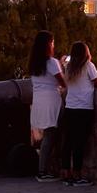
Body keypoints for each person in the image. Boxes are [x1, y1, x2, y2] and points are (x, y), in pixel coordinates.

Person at [59, 41, 97, 186]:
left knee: (68, 142)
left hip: (70, 108)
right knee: (79, 143)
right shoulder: (89, 66)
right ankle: (78, 175)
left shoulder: (69, 67)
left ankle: (66, 174)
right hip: (83, 109)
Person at [28, 30, 67, 182]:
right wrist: (62, 67)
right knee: (52, 135)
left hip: (39, 101)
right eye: (52, 42)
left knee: (49, 135)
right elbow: (62, 82)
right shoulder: (52, 62)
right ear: (49, 44)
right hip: (52, 101)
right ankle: (42, 171)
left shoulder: (33, 63)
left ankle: (45, 169)